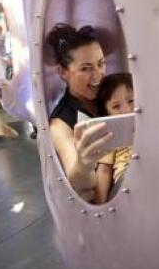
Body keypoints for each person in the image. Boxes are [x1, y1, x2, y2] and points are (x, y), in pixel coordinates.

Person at [47, 24, 111, 202]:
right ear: (63, 72)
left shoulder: (112, 93)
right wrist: (84, 164)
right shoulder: (60, 124)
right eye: (86, 68)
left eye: (101, 64)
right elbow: (75, 176)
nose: (98, 74)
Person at [94, 73, 134, 204]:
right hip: (126, 183)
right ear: (107, 113)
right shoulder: (110, 133)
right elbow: (104, 170)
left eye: (131, 101)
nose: (127, 109)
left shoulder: (148, 123)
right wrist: (100, 205)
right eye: (116, 107)